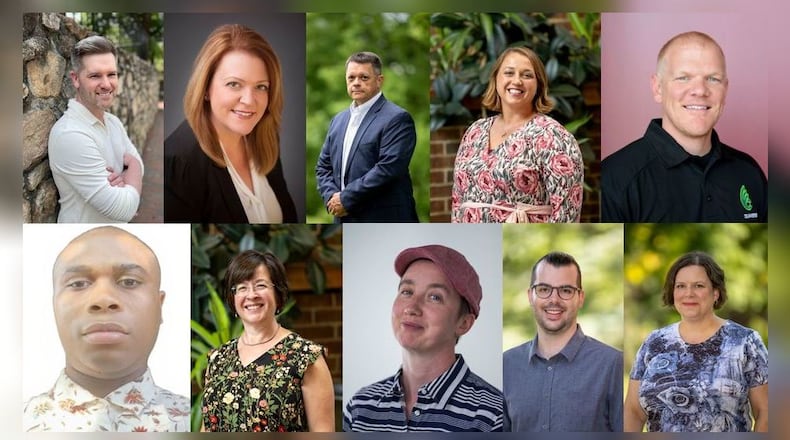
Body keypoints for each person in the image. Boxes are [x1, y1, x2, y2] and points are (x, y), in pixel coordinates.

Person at [23, 226, 189, 431]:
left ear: (159, 306)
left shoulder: (198, 419)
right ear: (54, 306)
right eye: (78, 283)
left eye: (129, 282)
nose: (103, 300)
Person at [601, 31, 767, 222]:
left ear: (725, 89)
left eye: (713, 78)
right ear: (658, 88)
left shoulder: (749, 172)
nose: (700, 90)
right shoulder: (615, 179)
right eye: (684, 77)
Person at [344, 244, 504, 432]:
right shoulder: (360, 407)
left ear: (464, 324)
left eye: (435, 297)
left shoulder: (494, 416)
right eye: (407, 291)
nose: (411, 307)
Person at [165, 24, 297, 223]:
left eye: (261, 87)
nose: (249, 100)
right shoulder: (178, 162)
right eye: (234, 84)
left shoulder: (265, 137)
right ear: (206, 88)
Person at [624, 251, 768, 432]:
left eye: (698, 286)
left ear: (716, 292)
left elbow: (766, 413)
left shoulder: (745, 342)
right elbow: (633, 411)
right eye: (680, 286)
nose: (688, 293)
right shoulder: (655, 342)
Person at [201, 250, 335, 432]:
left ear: (278, 293)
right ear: (233, 299)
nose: (251, 295)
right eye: (242, 288)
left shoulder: (306, 357)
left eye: (260, 285)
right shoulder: (217, 359)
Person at [451, 46, 583, 223]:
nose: (517, 81)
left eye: (527, 75)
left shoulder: (554, 136)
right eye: (509, 73)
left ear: (538, 84)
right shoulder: (475, 131)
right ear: (496, 79)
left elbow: (567, 215)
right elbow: (458, 200)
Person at [503, 252, 622, 431]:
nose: (554, 299)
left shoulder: (612, 364)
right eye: (544, 289)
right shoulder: (507, 364)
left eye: (565, 290)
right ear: (530, 296)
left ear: (580, 298)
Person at [48, 35, 144, 223]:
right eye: (95, 76)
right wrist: (132, 166)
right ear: (76, 79)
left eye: (112, 74)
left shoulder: (113, 122)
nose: (107, 84)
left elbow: (141, 168)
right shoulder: (70, 135)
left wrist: (129, 179)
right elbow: (124, 210)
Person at [315, 51, 418, 222]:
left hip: (384, 219)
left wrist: (345, 198)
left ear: (379, 80)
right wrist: (332, 198)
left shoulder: (397, 118)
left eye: (364, 77)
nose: (356, 83)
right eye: (351, 78)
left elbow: (388, 169)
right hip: (343, 219)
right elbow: (323, 167)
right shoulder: (338, 120)